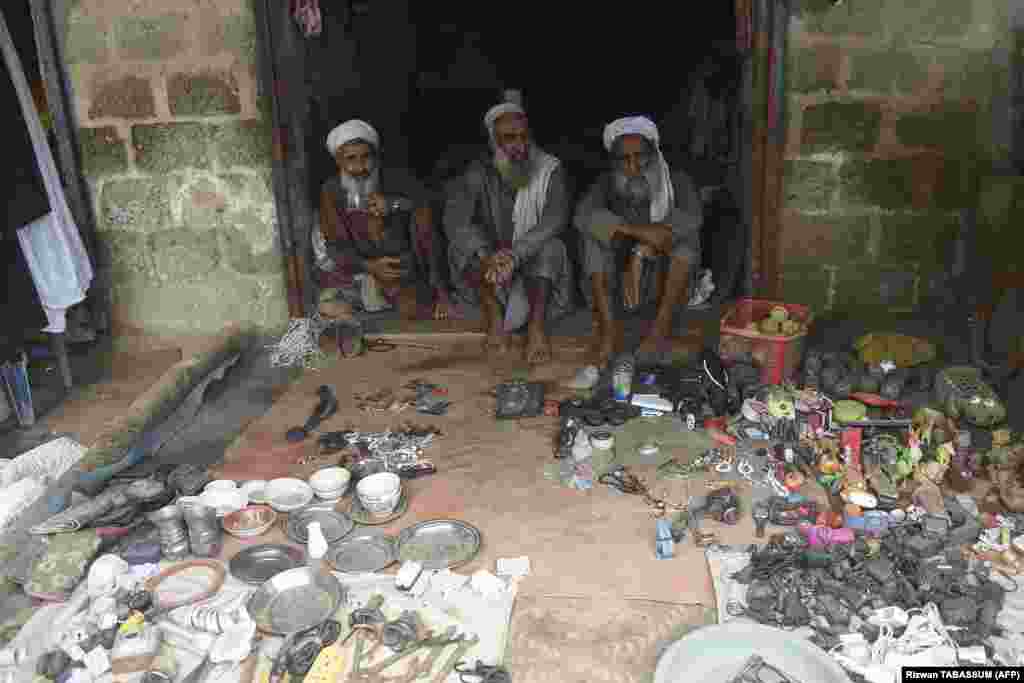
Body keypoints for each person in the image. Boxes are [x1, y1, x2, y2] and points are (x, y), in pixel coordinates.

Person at [443, 93, 574, 363]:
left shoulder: (550, 169)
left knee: (552, 246)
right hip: (490, 272)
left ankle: (536, 328)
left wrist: (515, 255)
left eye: (523, 136)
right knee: (462, 244)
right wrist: (486, 256)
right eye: (509, 139)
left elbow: (555, 220)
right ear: (494, 142)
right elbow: (456, 221)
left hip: (533, 270)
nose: (520, 145)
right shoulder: (478, 172)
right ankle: (493, 314)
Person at [574, 116, 703, 364]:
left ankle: (659, 331)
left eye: (641, 156)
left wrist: (642, 251)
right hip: (619, 279)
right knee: (591, 238)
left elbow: (690, 219)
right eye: (624, 159)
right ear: (614, 162)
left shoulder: (677, 181)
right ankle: (609, 333)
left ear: (654, 154)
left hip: (664, 278)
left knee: (687, 241)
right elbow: (583, 216)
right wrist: (634, 232)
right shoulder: (606, 184)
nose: (633, 165)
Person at [315, 119, 450, 355]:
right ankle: (351, 329)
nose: (360, 167)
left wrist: (395, 204)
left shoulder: (397, 179)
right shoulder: (332, 190)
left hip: (401, 270)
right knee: (329, 303)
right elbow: (335, 246)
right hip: (360, 270)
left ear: (375, 157)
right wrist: (370, 266)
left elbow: (429, 211)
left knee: (414, 312)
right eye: (350, 159)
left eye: (365, 157)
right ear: (338, 161)